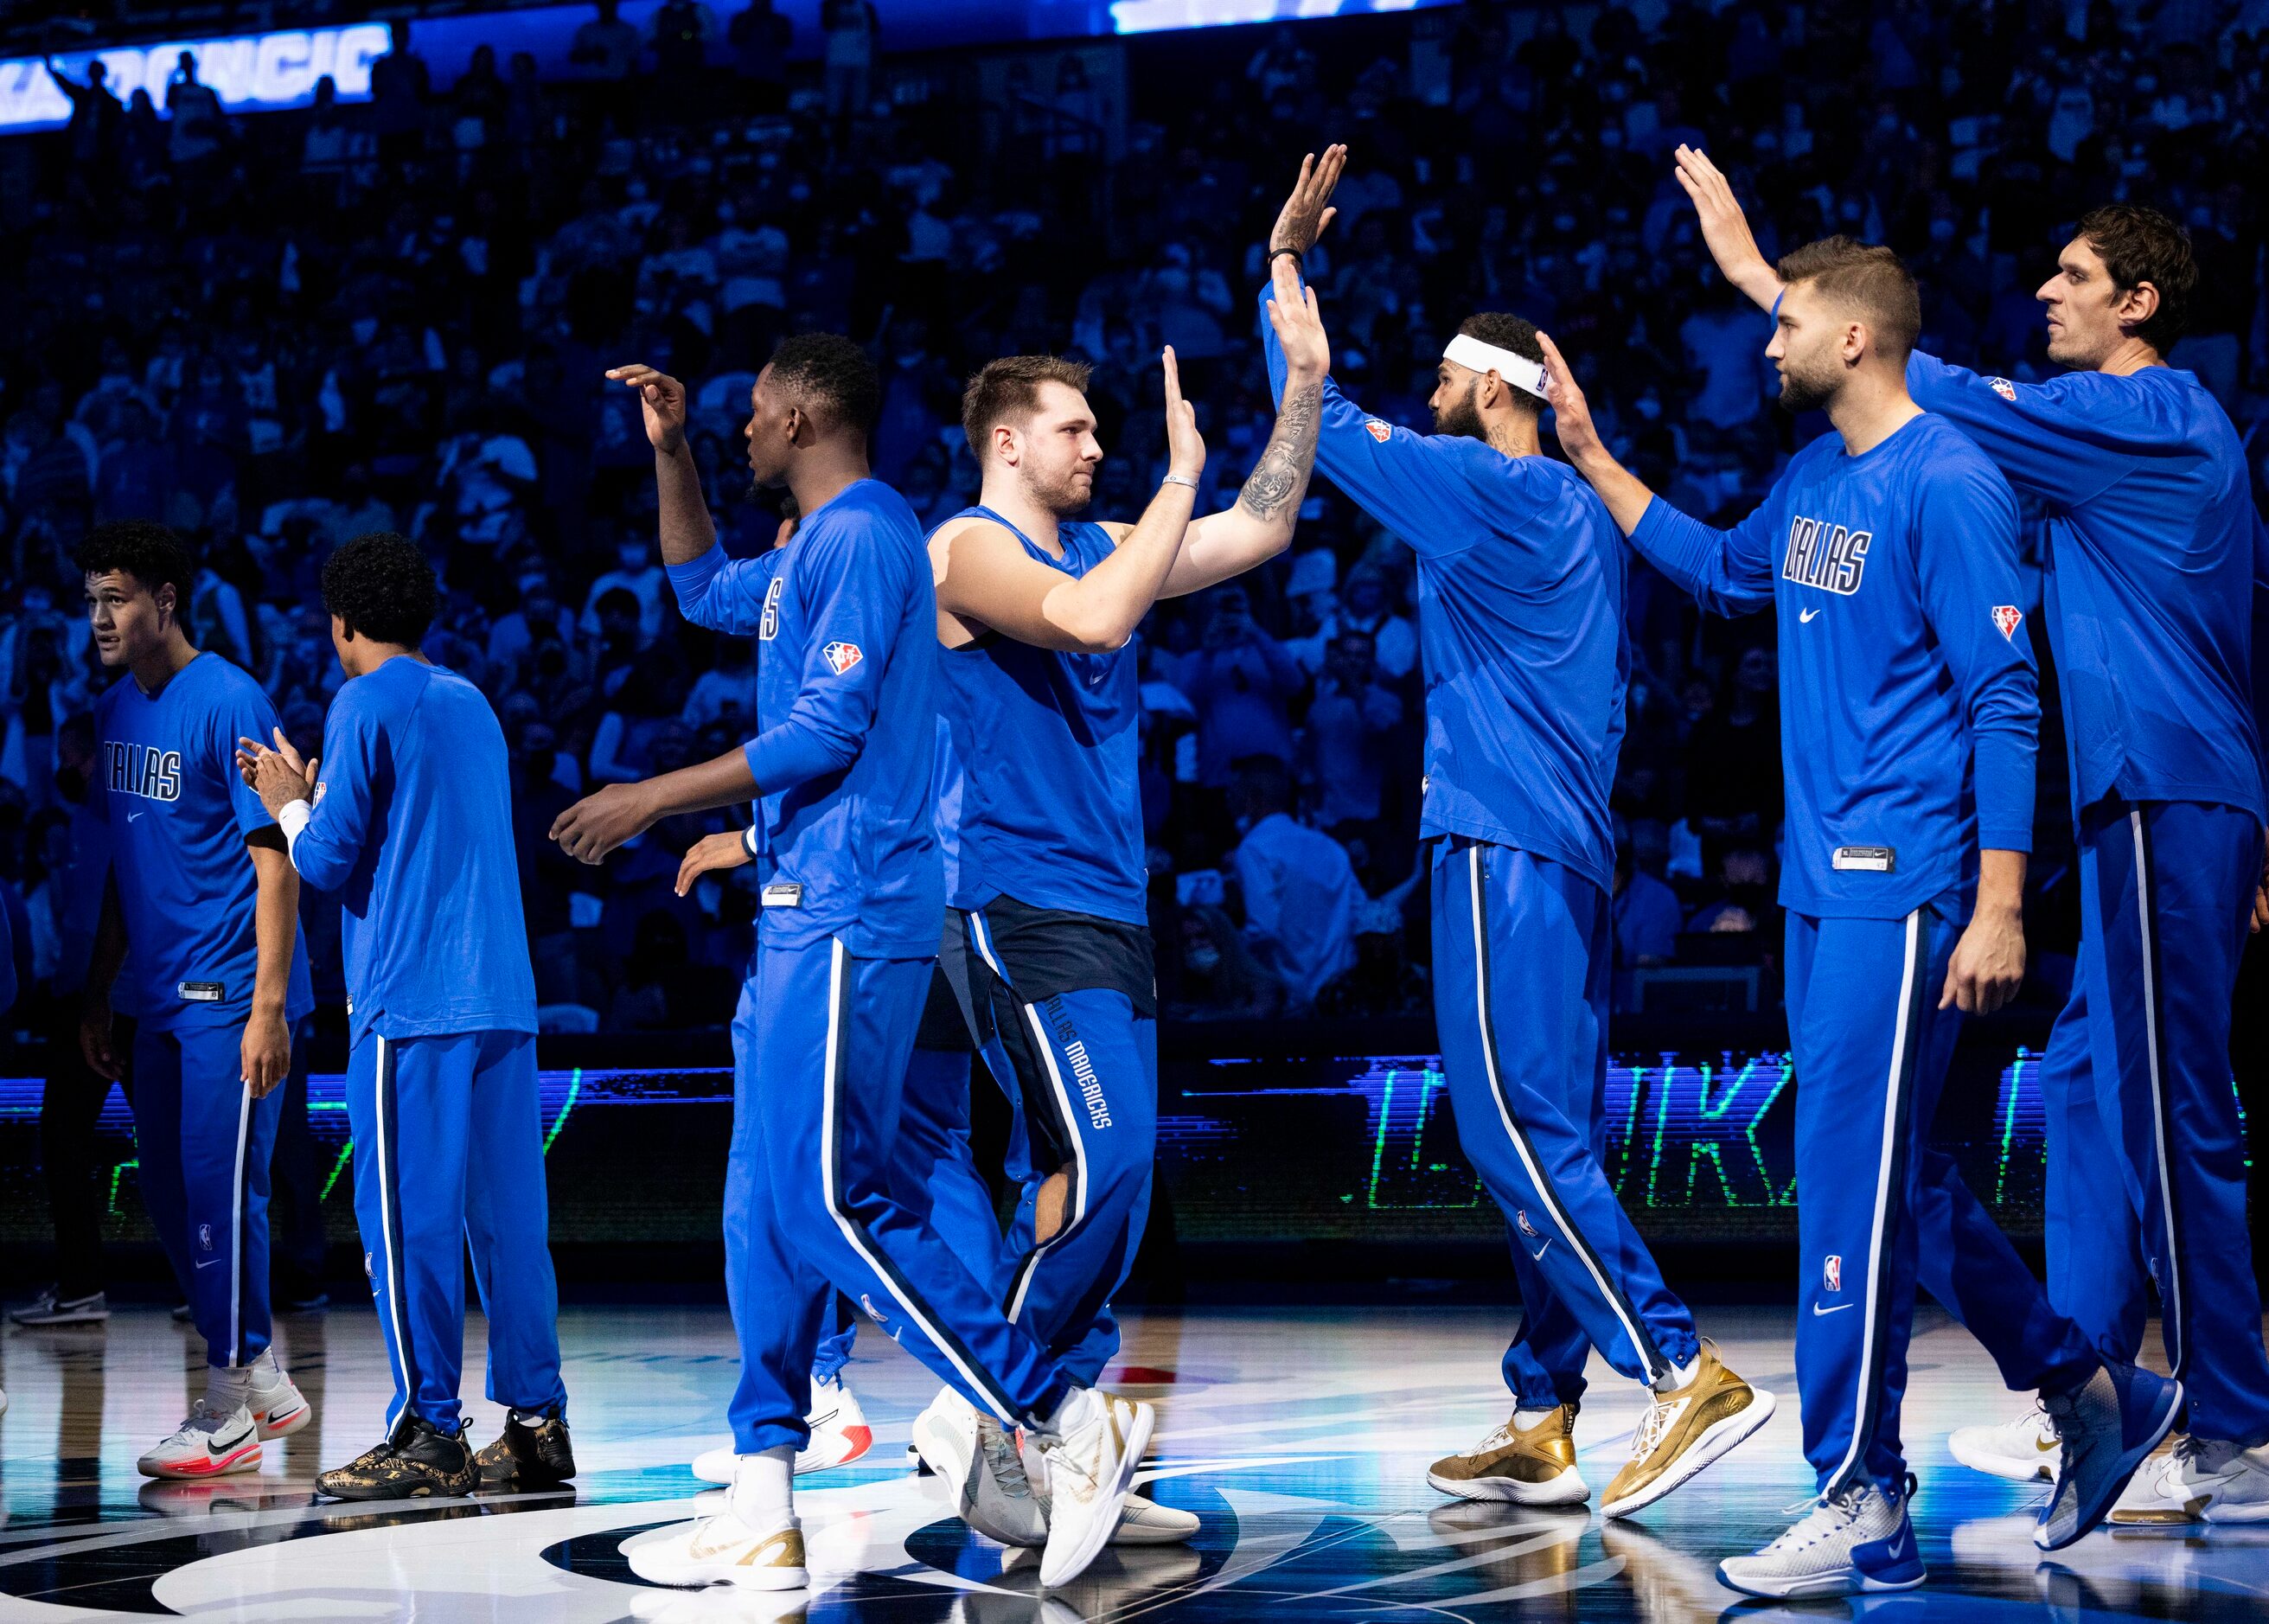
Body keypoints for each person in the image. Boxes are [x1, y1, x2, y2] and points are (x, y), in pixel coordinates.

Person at [1541, 227, 2179, 1594]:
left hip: (1906, 887)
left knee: (1843, 1181)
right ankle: (2089, 1386)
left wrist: (1999, 902)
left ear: (1853, 341)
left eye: (1785, 323)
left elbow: (2009, 699)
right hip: (1816, 889)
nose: (1763, 342)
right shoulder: (1813, 471)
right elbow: (1722, 575)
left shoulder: (1950, 482)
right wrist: (1593, 458)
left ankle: (1861, 1489)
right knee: (1904, 1183)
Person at [1678, 150, 2269, 1528]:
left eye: (2071, 279)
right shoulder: (2122, 456)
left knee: (2178, 1114)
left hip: (2161, 788)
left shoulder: (2151, 411)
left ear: (2137, 303)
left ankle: (2225, 1425)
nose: (2043, 294)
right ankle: (2098, 1385)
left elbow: (1928, 392)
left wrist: (1774, 282)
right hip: (2168, 791)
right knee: (2085, 1079)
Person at [552, 334, 1152, 1591]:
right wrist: (669, 457)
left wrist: (650, 797)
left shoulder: (875, 537)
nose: (746, 429)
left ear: (807, 413)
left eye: (755, 414)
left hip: (855, 906)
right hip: (794, 906)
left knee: (835, 1199)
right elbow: (699, 584)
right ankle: (763, 1482)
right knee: (775, 1202)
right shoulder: (807, 550)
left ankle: (1051, 1410)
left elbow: (825, 732)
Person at [1258, 146, 1774, 1523]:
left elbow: (1324, 423)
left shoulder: (1487, 489)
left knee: (1508, 1126)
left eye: (1447, 381)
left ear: (1496, 389)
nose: (1432, 399)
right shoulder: (1577, 519)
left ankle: (1679, 1363)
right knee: (1556, 1128)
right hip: (1575, 855)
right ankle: (1544, 1408)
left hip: (1499, 842)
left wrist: (1284, 270)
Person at [814, 215, 1328, 1549]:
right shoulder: (961, 550)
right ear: (1006, 444)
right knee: (1102, 1157)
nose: (1097, 446)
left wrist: (1305, 384)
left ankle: (1026, 1442)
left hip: (1107, 904)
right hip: (1009, 901)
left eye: (1104, 431)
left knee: (1108, 1174)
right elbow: (1097, 621)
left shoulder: (1106, 546)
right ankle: (1023, 1410)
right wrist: (1177, 479)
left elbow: (1260, 534)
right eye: (1074, 429)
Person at [236, 533, 572, 1500]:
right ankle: (538, 1426)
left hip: (412, 1002)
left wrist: (288, 800)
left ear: (339, 624)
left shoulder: (361, 701)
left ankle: (429, 1433)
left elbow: (328, 863)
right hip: (503, 1002)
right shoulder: (469, 702)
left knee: (408, 1226)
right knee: (510, 1224)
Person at [74, 521, 316, 1479]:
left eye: (117, 599)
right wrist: (99, 993)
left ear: (166, 600)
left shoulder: (231, 699)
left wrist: (269, 1007)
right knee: (174, 1205)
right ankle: (263, 1379)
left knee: (223, 1196)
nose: (99, 617)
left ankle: (226, 1407)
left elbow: (278, 864)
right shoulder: (108, 714)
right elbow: (121, 868)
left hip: (226, 1001)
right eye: (91, 599)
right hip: (153, 1005)